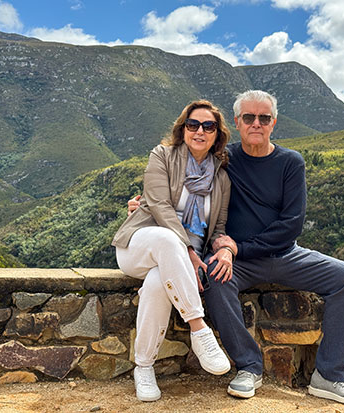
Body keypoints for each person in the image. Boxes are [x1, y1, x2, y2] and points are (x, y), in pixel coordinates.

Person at [204, 90, 344, 405]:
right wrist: (145, 207)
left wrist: (237, 248)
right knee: (213, 276)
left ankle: (329, 376)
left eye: (264, 118)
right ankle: (248, 367)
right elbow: (186, 190)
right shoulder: (223, 159)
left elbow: (291, 225)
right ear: (237, 122)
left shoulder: (290, 162)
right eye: (249, 117)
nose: (256, 123)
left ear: (273, 123)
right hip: (240, 263)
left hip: (284, 255)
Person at [112, 99, 234, 402]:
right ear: (183, 128)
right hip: (140, 245)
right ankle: (199, 329)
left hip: (177, 262)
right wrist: (188, 251)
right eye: (193, 124)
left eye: (208, 126)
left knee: (158, 283)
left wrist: (226, 250)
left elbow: (217, 229)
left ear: (217, 134)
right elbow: (159, 206)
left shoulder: (221, 179)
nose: (200, 131)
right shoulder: (162, 156)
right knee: (168, 240)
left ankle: (143, 367)